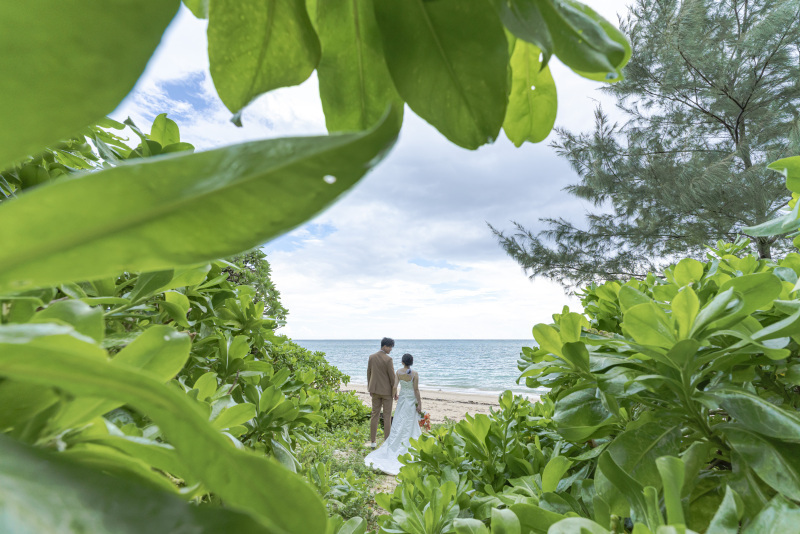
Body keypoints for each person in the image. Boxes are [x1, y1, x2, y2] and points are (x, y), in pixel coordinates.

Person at [364, 353, 423, 475]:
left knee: (399, 420)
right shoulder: (415, 374)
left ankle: (395, 441)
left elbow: (395, 386)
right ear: (411, 362)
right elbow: (416, 390)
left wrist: (394, 394)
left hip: (402, 399)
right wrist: (419, 403)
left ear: (402, 362)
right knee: (410, 421)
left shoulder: (398, 372)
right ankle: (410, 440)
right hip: (411, 400)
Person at [367, 337, 396, 448]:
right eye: (390, 347)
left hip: (374, 390)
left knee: (375, 415)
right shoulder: (388, 360)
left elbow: (369, 373)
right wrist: (395, 391)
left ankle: (373, 442)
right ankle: (387, 442)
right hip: (387, 392)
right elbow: (392, 378)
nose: (390, 350)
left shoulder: (371, 357)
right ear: (385, 346)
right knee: (387, 416)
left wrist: (370, 388)